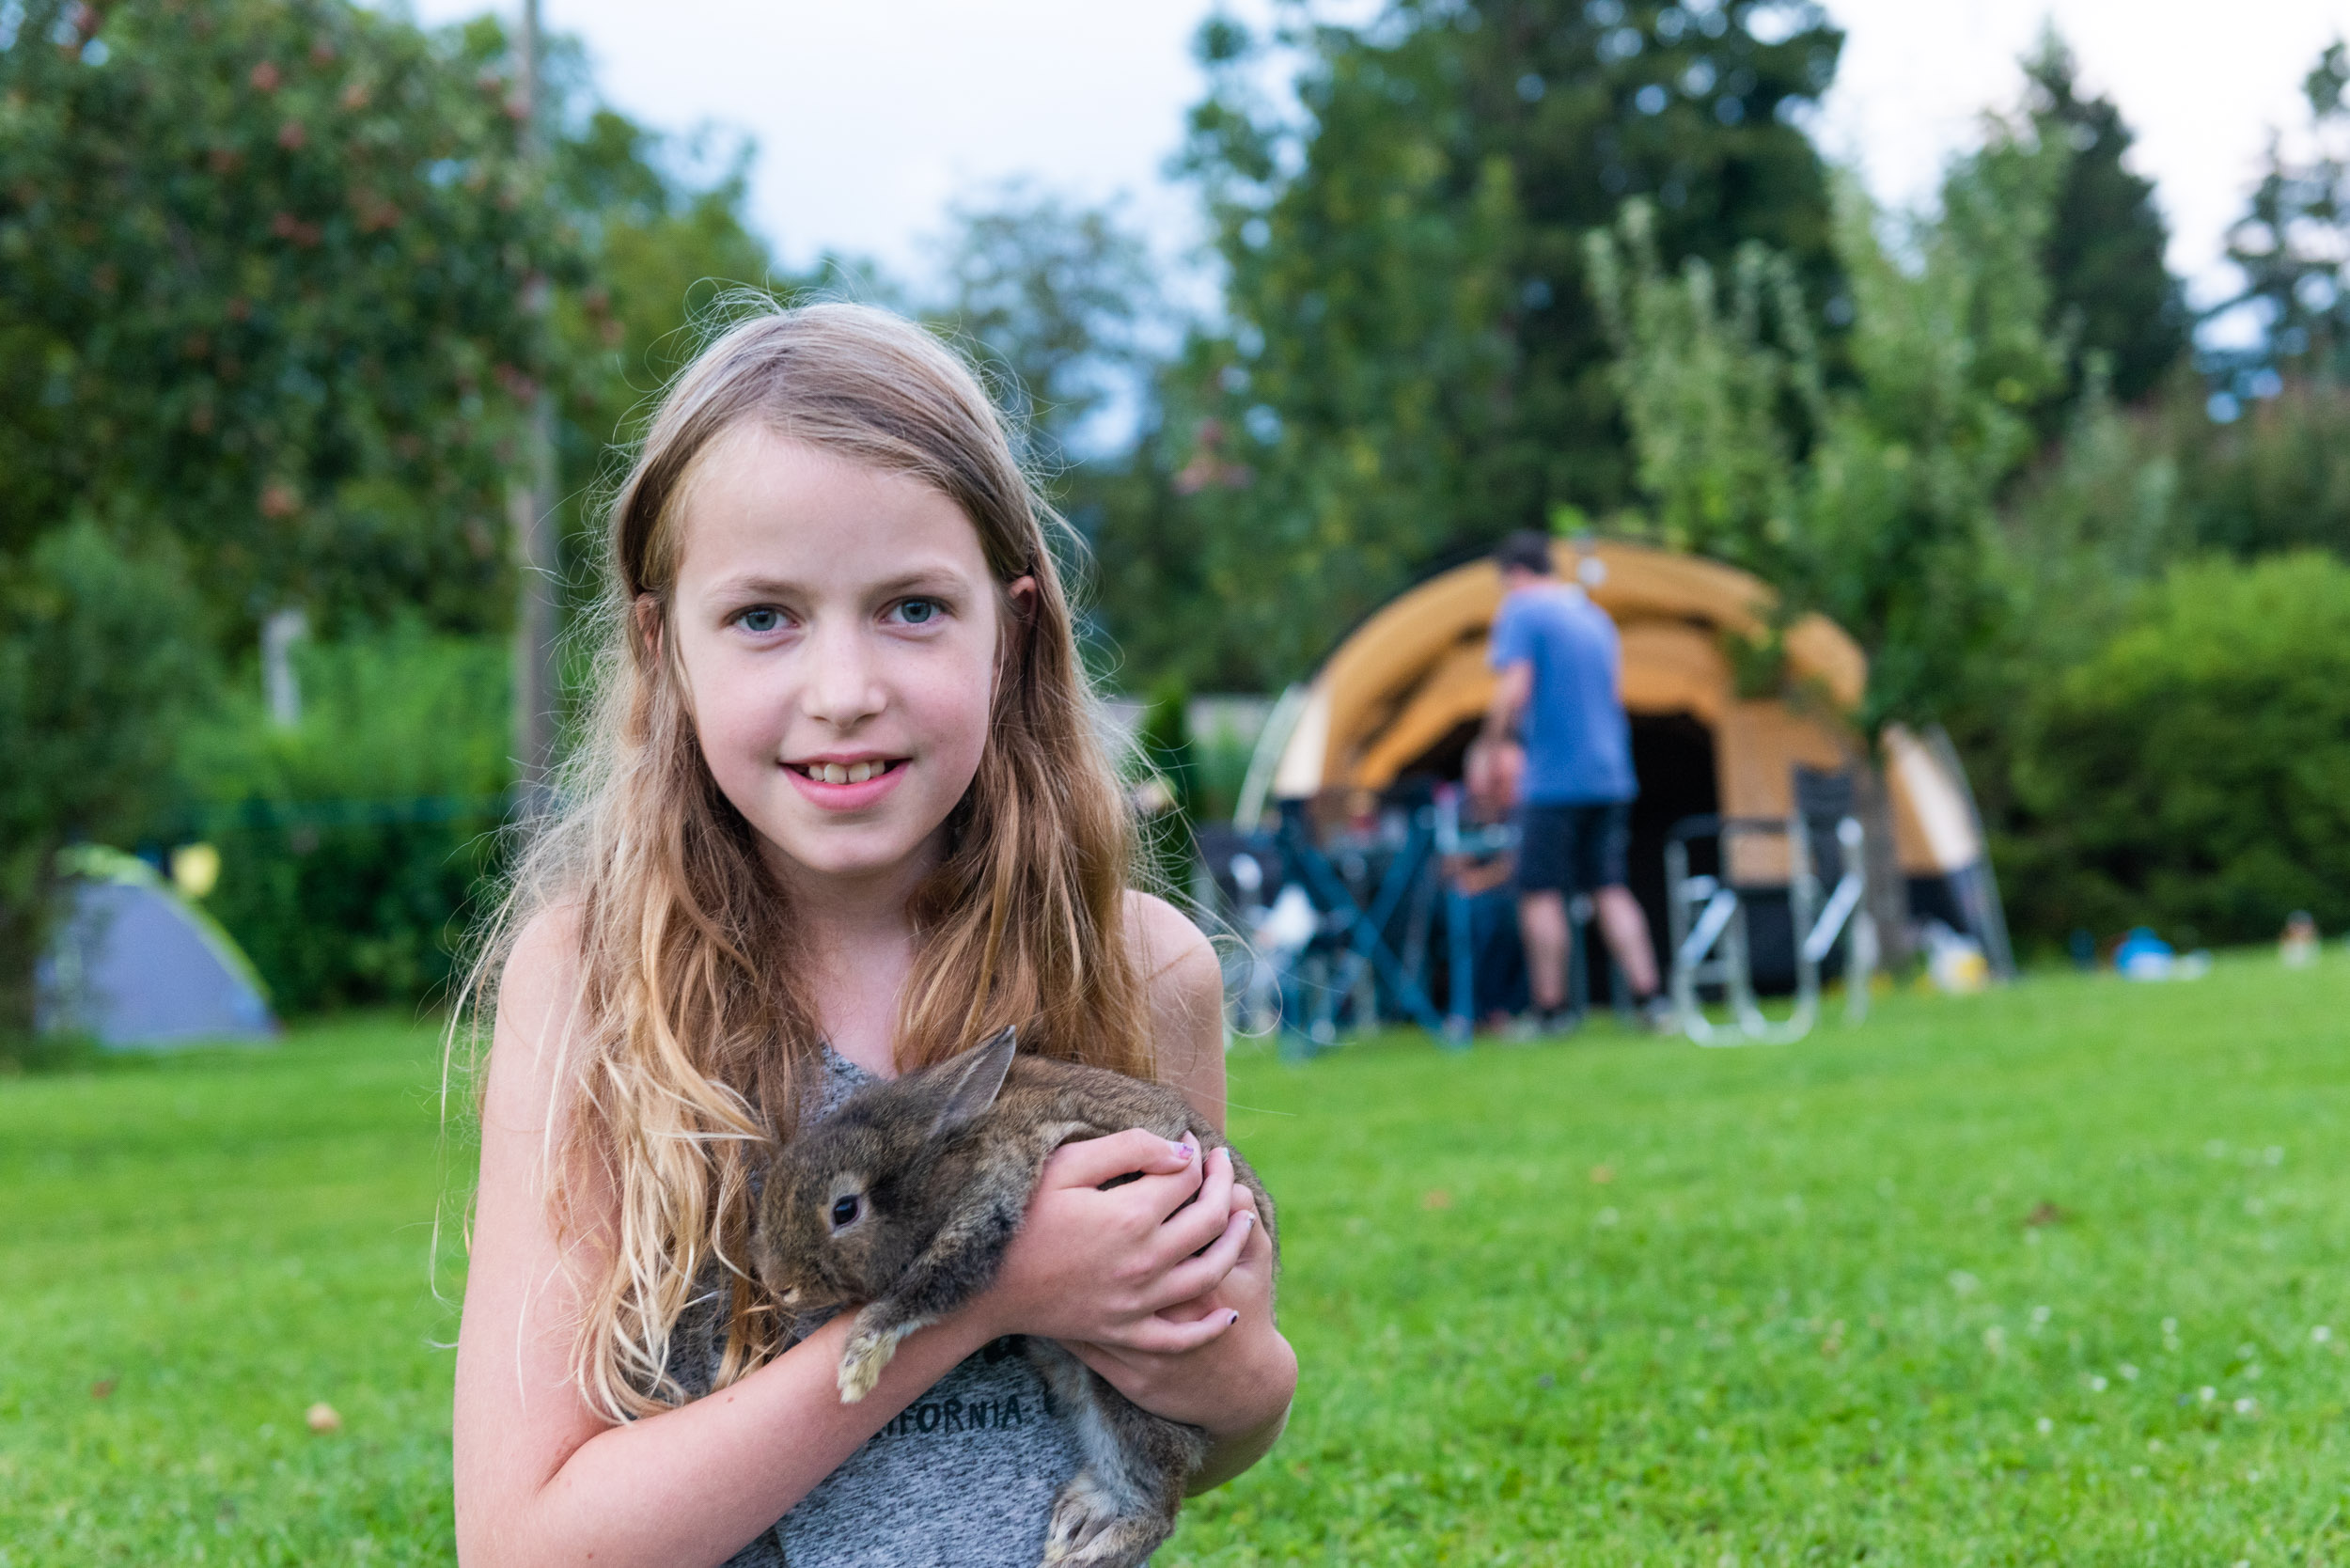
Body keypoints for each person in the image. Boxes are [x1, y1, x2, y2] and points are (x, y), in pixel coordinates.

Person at [450, 303, 1295, 1568]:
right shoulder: (595, 986)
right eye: (764, 617)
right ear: (661, 646)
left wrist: (1220, 1360)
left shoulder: (1137, 964)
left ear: (1011, 632)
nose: (843, 693)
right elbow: (522, 1546)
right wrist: (975, 1301)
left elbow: (1219, 1421)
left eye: (911, 608)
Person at [1480, 530, 1671, 1033]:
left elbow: (1514, 689)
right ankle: (1651, 999)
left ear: (1516, 575)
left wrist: (1489, 747)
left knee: (1539, 891)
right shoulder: (1594, 616)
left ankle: (1551, 1010)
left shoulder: (1523, 610)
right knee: (1610, 887)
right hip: (1610, 774)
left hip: (1553, 779)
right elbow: (1612, 695)